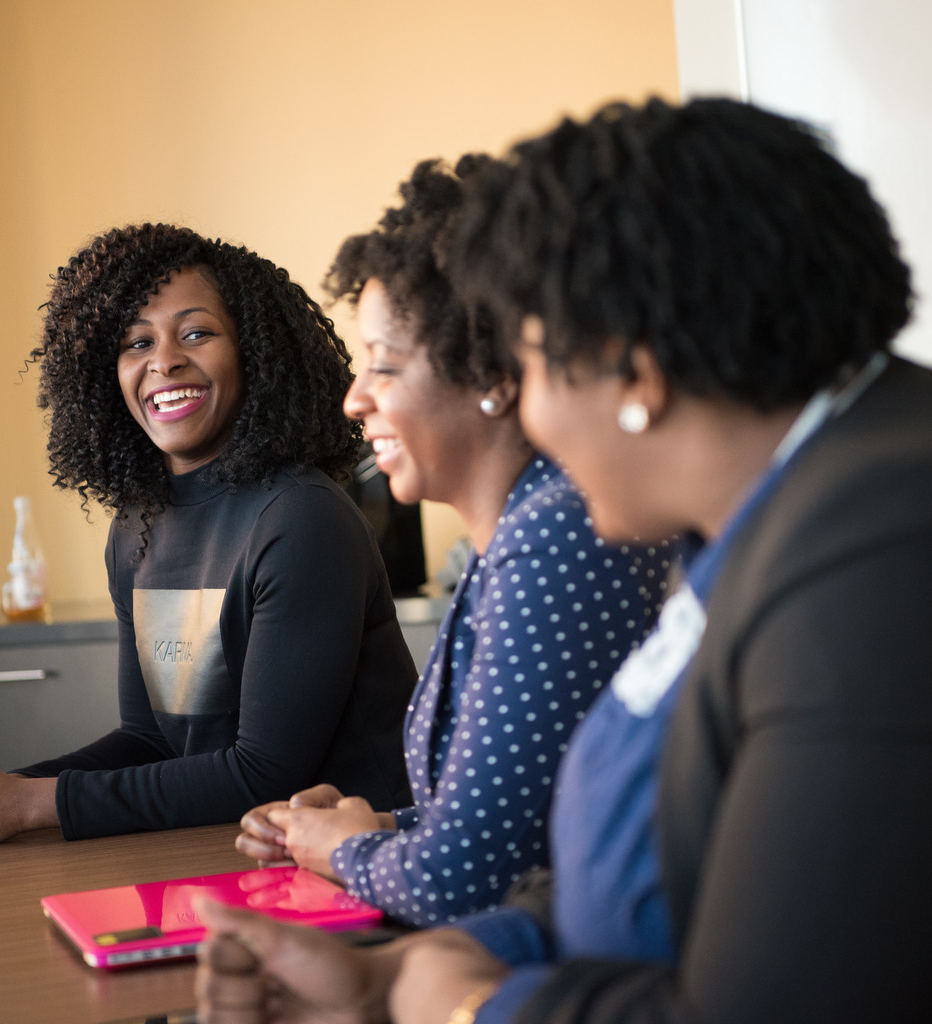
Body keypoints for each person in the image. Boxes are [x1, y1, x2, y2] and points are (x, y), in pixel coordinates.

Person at [192, 97, 932, 1024]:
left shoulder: (878, 553)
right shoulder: (761, 519)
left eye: (532, 364)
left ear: (635, 371)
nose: (528, 415)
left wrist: (467, 1006)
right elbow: (650, 856)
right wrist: (423, 966)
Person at [235, 157, 671, 927]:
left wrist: (343, 852)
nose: (354, 397)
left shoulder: (555, 539)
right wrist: (364, 830)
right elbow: (517, 826)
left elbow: (461, 882)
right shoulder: (518, 533)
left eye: (384, 366)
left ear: (492, 376)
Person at [0, 223, 418, 847]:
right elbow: (150, 741)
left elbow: (263, 772)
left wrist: (25, 803)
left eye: (197, 333)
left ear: (254, 353)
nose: (164, 360)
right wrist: (1, 789)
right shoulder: (136, 525)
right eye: (135, 342)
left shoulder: (301, 517)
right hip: (219, 847)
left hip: (355, 869)